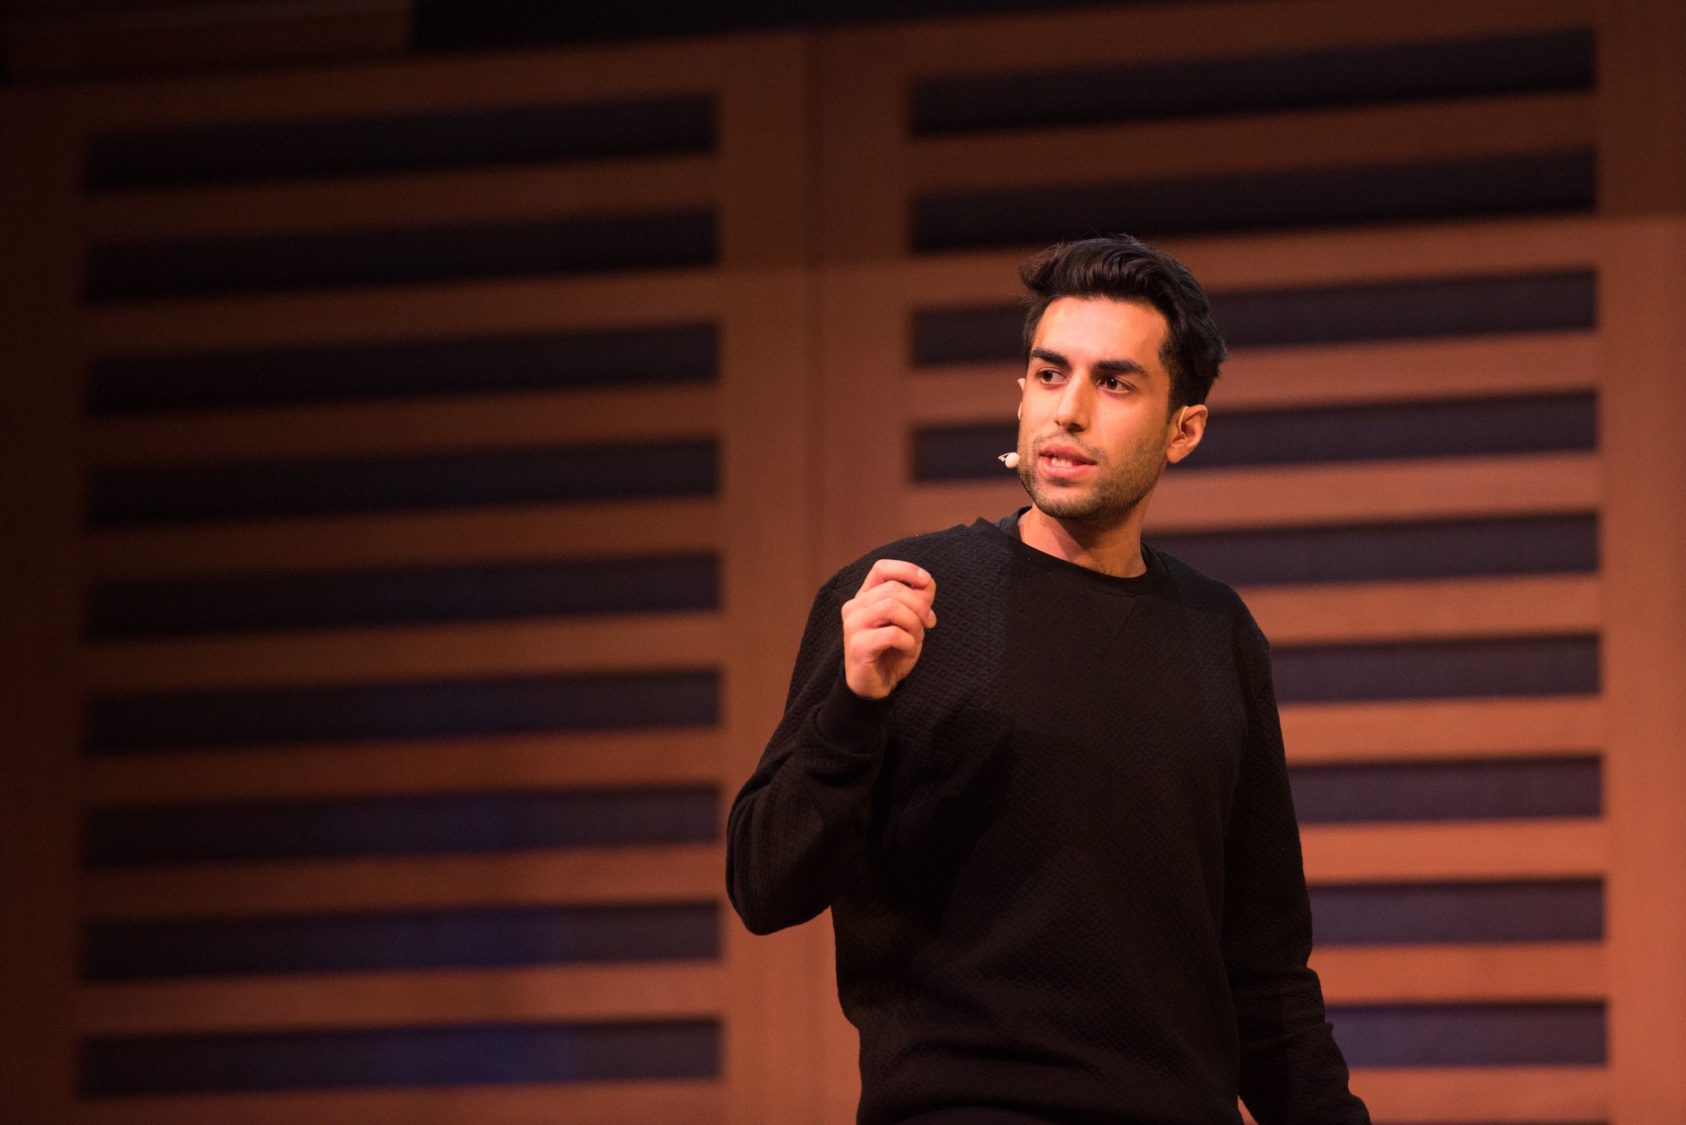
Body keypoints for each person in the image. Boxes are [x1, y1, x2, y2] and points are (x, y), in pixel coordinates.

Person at [726, 235, 1370, 1124]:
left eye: (1114, 383)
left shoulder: (1219, 635)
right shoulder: (901, 600)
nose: (1067, 411)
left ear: (1184, 428)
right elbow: (765, 884)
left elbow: (1265, 979)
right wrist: (854, 704)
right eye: (1047, 373)